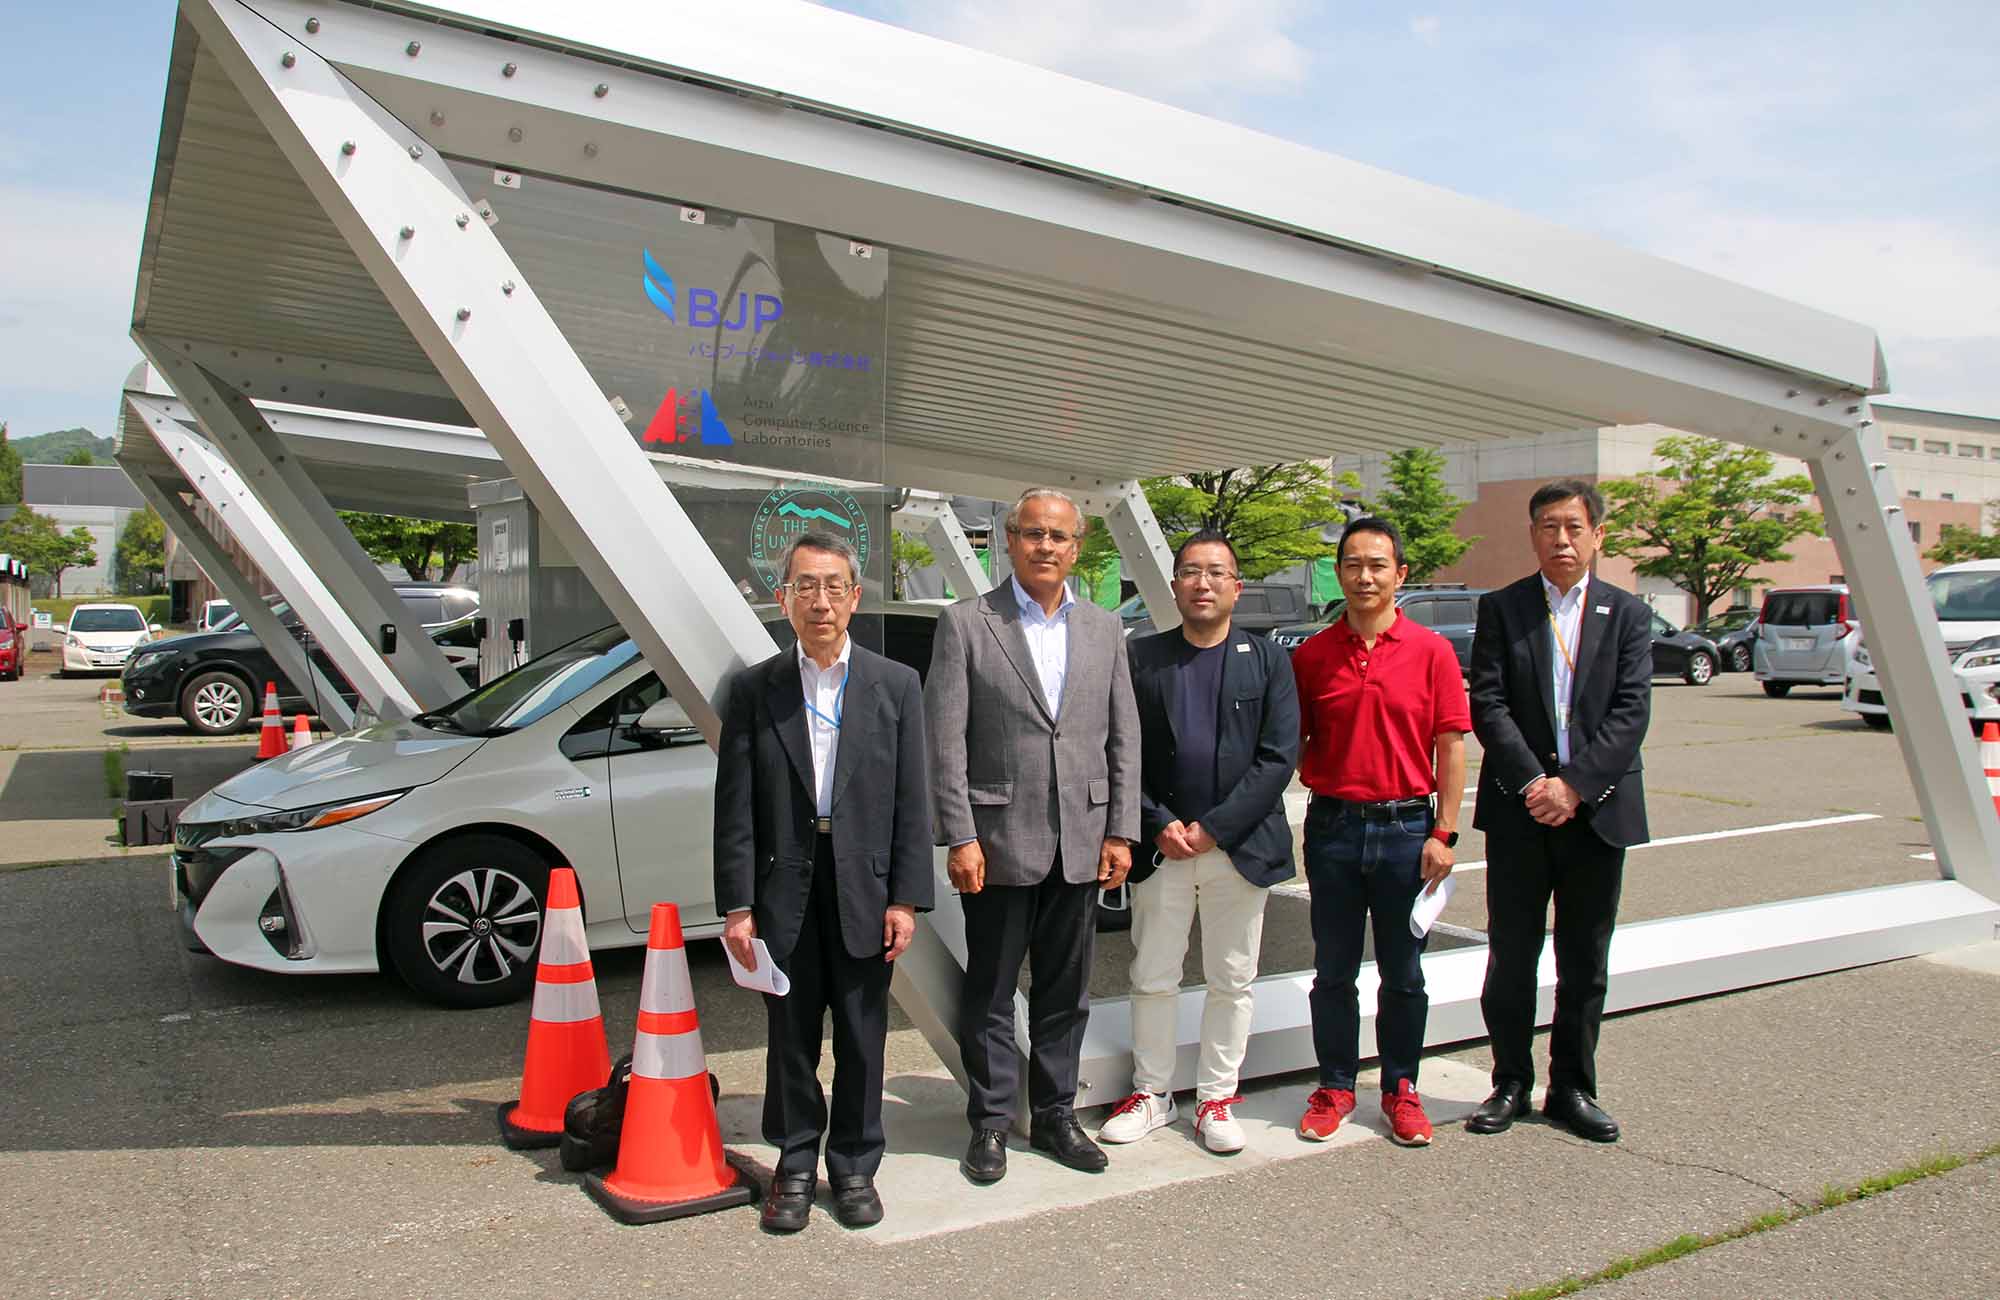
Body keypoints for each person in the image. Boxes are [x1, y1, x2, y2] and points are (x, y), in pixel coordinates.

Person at [713, 531, 933, 1233]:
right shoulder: (756, 689)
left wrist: (906, 896)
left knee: (864, 1036)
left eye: (833, 585)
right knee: (791, 1034)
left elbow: (911, 799)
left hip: (865, 883)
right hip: (786, 890)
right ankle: (798, 1162)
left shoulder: (895, 685)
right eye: (805, 585)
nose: (820, 600)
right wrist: (739, 905)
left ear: (855, 597)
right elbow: (736, 802)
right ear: (784, 600)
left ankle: (855, 1164)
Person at [927, 487, 1140, 1184]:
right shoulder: (966, 625)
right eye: (1031, 533)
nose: (1045, 546)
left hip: (1082, 840)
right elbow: (944, 740)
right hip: (996, 842)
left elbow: (1122, 739)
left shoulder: (1105, 629)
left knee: (1065, 991)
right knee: (989, 990)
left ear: (1077, 547)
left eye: (1058, 536)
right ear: (1009, 541)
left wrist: (1121, 832)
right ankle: (989, 1123)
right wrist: (959, 834)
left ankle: (1054, 1115)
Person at [1099, 530, 1299, 1154]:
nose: (1203, 583)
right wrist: (1158, 820)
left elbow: (1278, 757)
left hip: (1236, 849)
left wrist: (1215, 827)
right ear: (1175, 583)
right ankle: (1152, 1093)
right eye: (1190, 572)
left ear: (1237, 586)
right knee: (1152, 974)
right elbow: (1120, 750)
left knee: (1231, 978)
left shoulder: (1267, 659)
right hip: (1163, 848)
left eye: (1217, 572)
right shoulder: (1144, 657)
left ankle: (1216, 1097)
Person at [1466, 479, 1652, 1144]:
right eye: (1549, 526)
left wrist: (1573, 786)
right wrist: (1535, 783)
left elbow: (1632, 712)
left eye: (1574, 527)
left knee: (1584, 959)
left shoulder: (1627, 615)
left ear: (1597, 535)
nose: (1562, 539)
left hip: (1597, 812)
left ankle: (1572, 1086)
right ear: (1533, 534)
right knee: (1512, 956)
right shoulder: (1503, 608)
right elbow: (1487, 703)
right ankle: (1509, 1080)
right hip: (1521, 812)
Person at [1290, 517, 1468, 1147]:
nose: (1364, 576)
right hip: (1333, 828)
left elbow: (1451, 748)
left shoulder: (1432, 651)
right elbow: (1290, 744)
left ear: (1400, 573)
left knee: (1404, 973)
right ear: (1337, 573)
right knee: (1332, 971)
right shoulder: (1311, 656)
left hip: (1407, 831)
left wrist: (1444, 832)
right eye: (1352, 565)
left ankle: (1400, 1088)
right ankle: (1336, 1084)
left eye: (1377, 565)